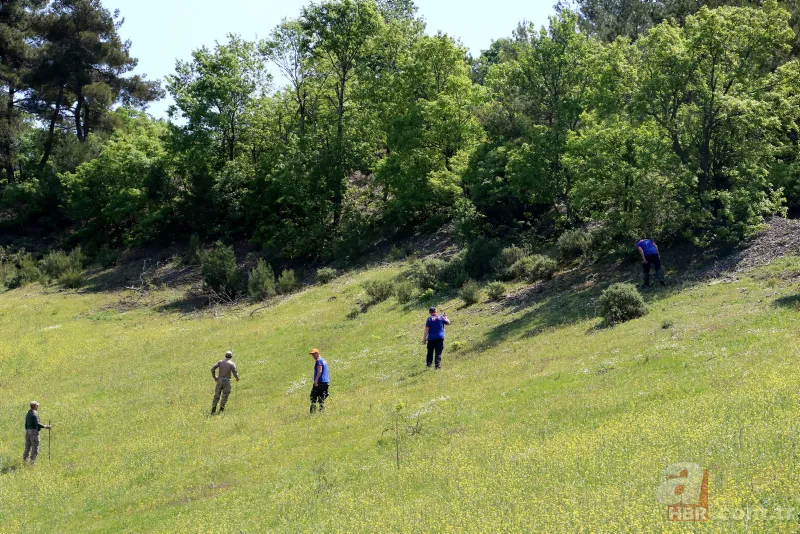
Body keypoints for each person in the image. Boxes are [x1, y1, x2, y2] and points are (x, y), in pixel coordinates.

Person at [24, 401, 51, 465]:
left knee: (27, 447)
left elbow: (25, 424)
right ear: (35, 406)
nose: (38, 407)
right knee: (35, 447)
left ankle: (25, 460)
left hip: (27, 431)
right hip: (33, 432)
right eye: (37, 406)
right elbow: (37, 423)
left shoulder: (28, 413)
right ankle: (32, 462)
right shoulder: (35, 413)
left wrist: (28, 430)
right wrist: (45, 426)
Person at [309, 349, 329, 414]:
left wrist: (316, 380)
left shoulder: (319, 361)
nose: (313, 356)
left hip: (319, 382)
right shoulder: (324, 360)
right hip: (325, 382)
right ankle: (322, 412)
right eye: (312, 354)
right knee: (321, 398)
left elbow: (320, 371)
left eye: (314, 354)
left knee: (313, 397)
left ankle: (313, 413)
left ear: (318, 353)